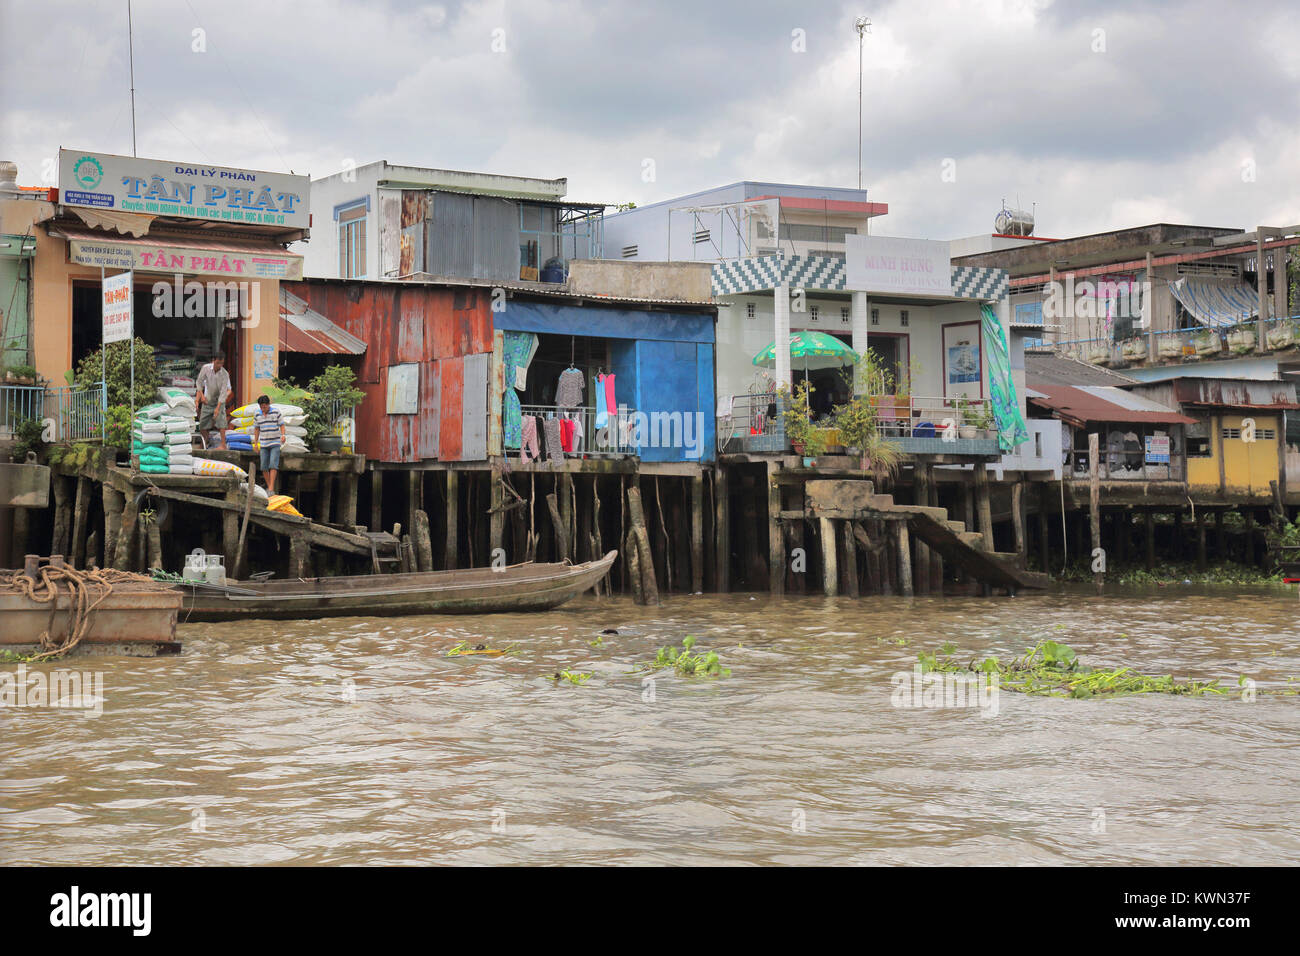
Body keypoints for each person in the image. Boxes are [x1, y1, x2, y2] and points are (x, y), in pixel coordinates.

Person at [195, 352, 233, 449]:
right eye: (218, 363)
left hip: (220, 399)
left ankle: (223, 445)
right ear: (213, 361)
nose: (219, 365)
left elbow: (224, 392)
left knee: (221, 422)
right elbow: (199, 382)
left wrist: (217, 408)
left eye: (221, 363)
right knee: (203, 423)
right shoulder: (206, 368)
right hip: (208, 399)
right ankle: (204, 442)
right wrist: (201, 396)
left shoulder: (225, 374)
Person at [253, 395, 286, 495]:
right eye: (261, 407)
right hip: (264, 443)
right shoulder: (257, 414)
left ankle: (271, 488)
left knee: (273, 464)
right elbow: (256, 429)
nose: (263, 409)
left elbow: (282, 425)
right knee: (263, 467)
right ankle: (270, 487)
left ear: (268, 405)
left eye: (265, 407)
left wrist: (283, 435)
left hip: (275, 442)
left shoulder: (276, 412)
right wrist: (255, 443)